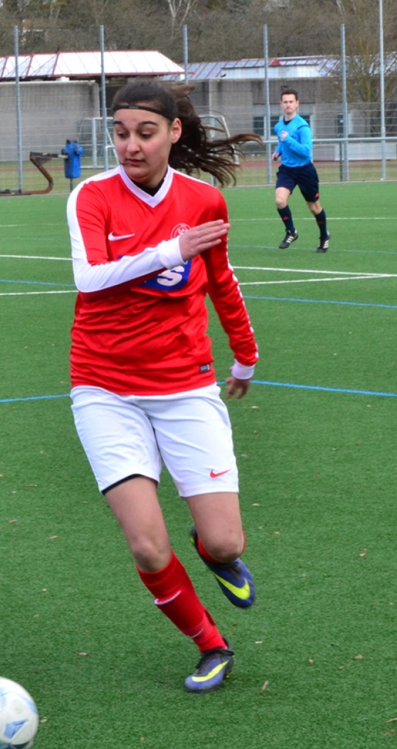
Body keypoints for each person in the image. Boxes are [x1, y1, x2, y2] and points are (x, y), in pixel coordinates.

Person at [66, 80, 260, 693]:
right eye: (120, 133)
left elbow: (221, 279)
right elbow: (90, 278)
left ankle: (212, 551)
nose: (131, 145)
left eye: (145, 133)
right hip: (103, 387)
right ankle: (211, 645)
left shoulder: (203, 201)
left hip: (185, 385)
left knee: (227, 540)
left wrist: (245, 355)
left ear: (174, 133)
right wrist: (168, 250)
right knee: (148, 547)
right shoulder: (91, 196)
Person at [272, 88, 329, 252]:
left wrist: (288, 140)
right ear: (281, 104)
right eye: (285, 102)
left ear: (297, 103)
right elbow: (282, 142)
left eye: (291, 102)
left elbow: (306, 151)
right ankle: (291, 231)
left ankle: (324, 236)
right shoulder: (278, 126)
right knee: (280, 200)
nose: (288, 105)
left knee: (314, 208)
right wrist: (278, 151)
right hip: (287, 170)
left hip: (305, 171)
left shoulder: (303, 127)